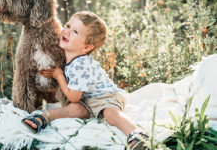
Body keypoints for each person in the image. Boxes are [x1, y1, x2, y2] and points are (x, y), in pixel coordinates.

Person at [22, 11, 148, 149]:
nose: (67, 31)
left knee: (110, 114)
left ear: (87, 47)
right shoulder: (71, 57)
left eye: (75, 32)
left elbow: (73, 97)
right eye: (68, 25)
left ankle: (135, 133)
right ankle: (44, 117)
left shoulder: (81, 64)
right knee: (73, 110)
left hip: (106, 98)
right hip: (87, 101)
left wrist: (59, 76)